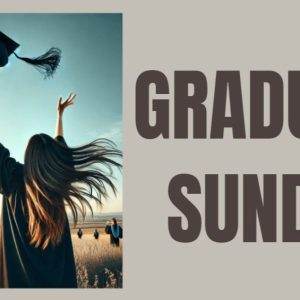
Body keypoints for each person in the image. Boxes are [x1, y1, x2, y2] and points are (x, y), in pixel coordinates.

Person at [0, 93, 122, 288]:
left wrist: (60, 115)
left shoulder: (12, 178)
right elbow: (60, 146)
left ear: (29, 157)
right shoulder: (57, 184)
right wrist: (59, 115)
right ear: (54, 162)